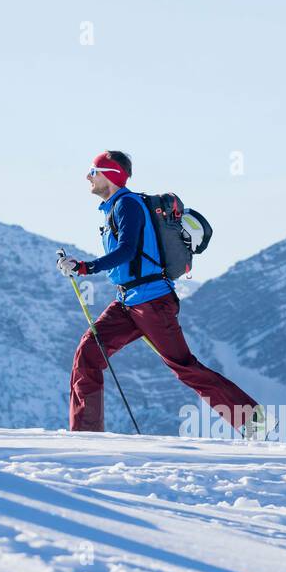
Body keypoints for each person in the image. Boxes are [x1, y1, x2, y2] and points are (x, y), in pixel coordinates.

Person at [57, 151, 265, 436]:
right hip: (128, 301)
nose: (88, 177)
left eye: (94, 171)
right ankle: (85, 434)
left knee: (184, 367)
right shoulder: (114, 208)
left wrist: (85, 267)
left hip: (152, 301)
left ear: (111, 175)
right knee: (87, 353)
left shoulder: (127, 205)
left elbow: (127, 250)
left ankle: (254, 422)